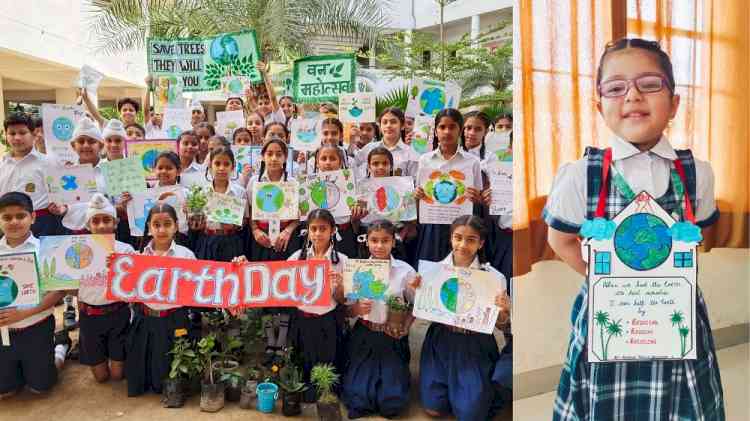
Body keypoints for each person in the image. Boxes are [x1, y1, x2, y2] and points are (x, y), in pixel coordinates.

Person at [544, 38, 725, 420]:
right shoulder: (582, 175)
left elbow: (703, 239)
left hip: (676, 316)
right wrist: (612, 279)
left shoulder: (697, 174)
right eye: (615, 87)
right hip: (608, 317)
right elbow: (559, 240)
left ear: (674, 103)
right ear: (600, 106)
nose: (632, 96)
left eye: (649, 84)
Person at [409, 215, 508, 421]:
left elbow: (500, 324)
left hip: (475, 344)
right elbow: (421, 310)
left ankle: (477, 388)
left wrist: (503, 311)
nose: (463, 245)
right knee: (433, 409)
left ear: (481, 243)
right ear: (450, 238)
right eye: (458, 237)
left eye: (471, 239)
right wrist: (417, 291)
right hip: (441, 340)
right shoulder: (432, 272)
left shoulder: (493, 277)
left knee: (471, 415)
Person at [342, 220, 415, 419]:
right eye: (374, 240)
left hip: (392, 337)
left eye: (385, 241)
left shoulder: (405, 271)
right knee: (358, 401)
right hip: (364, 335)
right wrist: (356, 308)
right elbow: (346, 311)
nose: (379, 246)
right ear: (367, 242)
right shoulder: (357, 269)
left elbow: (418, 305)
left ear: (393, 242)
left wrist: (406, 326)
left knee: (392, 403)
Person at [0, 192, 66, 398]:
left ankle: (60, 348)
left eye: (20, 216)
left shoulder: (45, 250)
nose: (14, 222)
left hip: (36, 327)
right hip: (3, 333)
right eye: (7, 217)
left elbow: (59, 291)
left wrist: (24, 314)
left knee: (41, 387)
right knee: (6, 391)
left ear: (33, 217)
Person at [126, 203, 194, 397]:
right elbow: (127, 291)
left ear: (176, 226)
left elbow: (197, 288)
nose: (162, 230)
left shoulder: (186, 256)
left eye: (167, 224)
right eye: (156, 224)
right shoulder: (137, 257)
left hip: (173, 320)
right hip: (145, 319)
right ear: (148, 227)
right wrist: (115, 269)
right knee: (139, 380)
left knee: (162, 382)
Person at [287, 209, 347, 402]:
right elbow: (280, 286)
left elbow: (343, 301)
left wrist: (338, 286)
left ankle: (325, 395)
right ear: (307, 231)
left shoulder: (342, 261)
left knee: (325, 371)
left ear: (332, 231)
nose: (318, 233)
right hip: (301, 321)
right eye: (314, 228)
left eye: (323, 228)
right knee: (302, 365)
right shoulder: (297, 257)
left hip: (327, 323)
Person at [77, 194, 135, 383]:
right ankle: (62, 347)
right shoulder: (76, 252)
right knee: (101, 377)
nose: (102, 226)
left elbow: (134, 285)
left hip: (118, 314)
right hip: (89, 317)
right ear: (88, 225)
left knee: (118, 376)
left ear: (115, 223)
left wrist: (119, 267)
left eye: (106, 220)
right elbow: (68, 289)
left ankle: (118, 357)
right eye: (96, 221)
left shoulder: (126, 250)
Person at [414, 109, 483, 263]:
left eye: (452, 127)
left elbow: (478, 199)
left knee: (459, 272)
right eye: (442, 127)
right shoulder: (425, 160)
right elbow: (420, 197)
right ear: (436, 130)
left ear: (460, 130)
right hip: (432, 226)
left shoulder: (472, 162)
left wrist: (476, 197)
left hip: (461, 229)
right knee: (431, 273)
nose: (447, 131)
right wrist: (417, 195)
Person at [0, 113, 66, 236]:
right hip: (6, 225)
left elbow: (62, 195)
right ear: (6, 135)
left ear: (33, 134)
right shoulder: (2, 164)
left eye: (22, 133)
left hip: (42, 225)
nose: (17, 138)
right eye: (12, 133)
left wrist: (60, 206)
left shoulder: (48, 162)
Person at [188, 147, 247, 262]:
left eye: (226, 164)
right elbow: (194, 220)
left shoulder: (240, 192)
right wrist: (196, 223)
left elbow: (244, 220)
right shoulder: (201, 192)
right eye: (217, 163)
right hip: (207, 240)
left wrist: (235, 226)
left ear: (233, 167)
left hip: (231, 241)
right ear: (210, 166)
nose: (221, 168)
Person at [354, 108, 419, 177]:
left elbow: (414, 181)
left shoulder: (410, 153)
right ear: (380, 126)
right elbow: (352, 167)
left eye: (393, 122)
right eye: (385, 122)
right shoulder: (369, 148)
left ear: (402, 126)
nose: (388, 125)